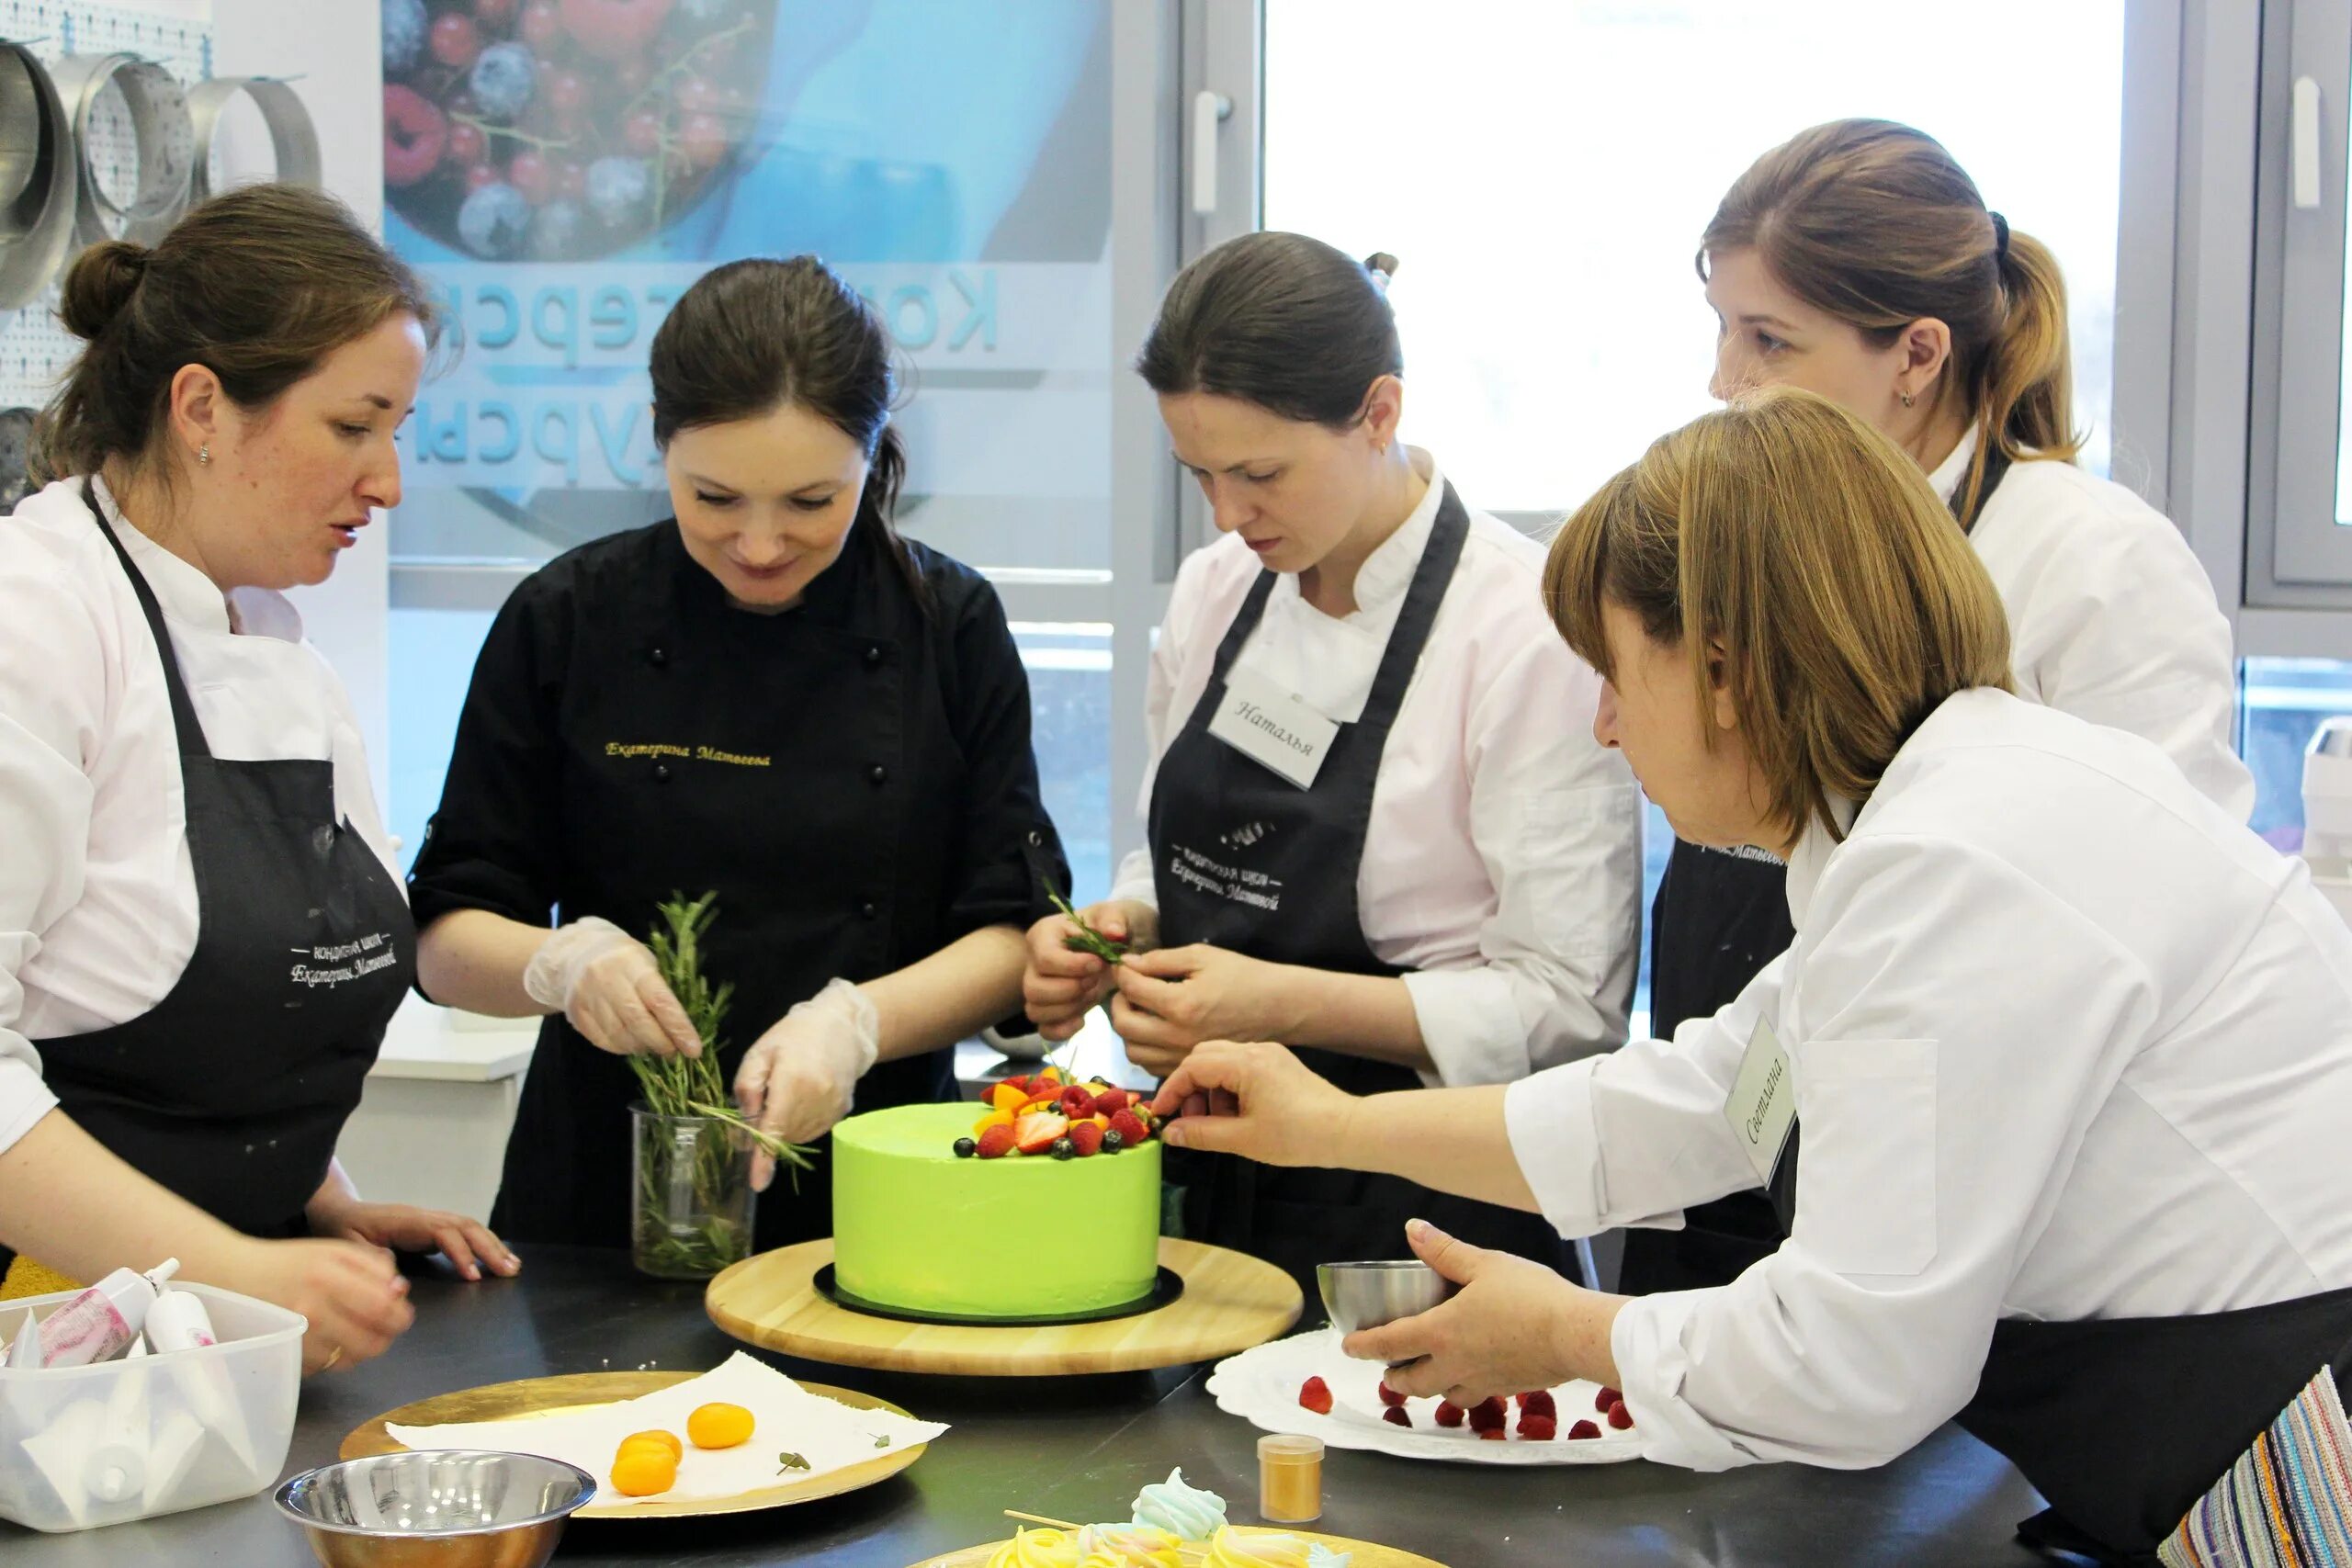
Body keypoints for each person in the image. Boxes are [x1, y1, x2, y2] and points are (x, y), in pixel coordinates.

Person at [1146, 389, 2352, 1563]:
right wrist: (1334, 1124)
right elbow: (1720, 1096)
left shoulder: (1958, 864)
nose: (1608, 725)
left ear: (1727, 667)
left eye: (1618, 673)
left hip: (2301, 1443)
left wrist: (1570, 1329)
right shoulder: (1933, 815)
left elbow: (1856, 1362)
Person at [1627, 118, 2256, 1298]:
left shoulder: (2088, 562)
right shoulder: (1757, 538)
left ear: (1915, 354)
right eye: (1721, 332)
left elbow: (2144, 928)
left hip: (1973, 1185)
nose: (1724, 382)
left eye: (1768, 340)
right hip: (1741, 1110)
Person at [1023, 234, 1641, 1295]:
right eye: (1199, 474)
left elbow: (1565, 1008)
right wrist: (1122, 928)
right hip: (1207, 1170)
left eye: (1260, 473)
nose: (1226, 514)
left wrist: (1281, 1005)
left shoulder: (1523, 631)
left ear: (1380, 414)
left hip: (1419, 1204)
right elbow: (1167, 851)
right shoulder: (1218, 588)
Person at [410, 255, 1069, 1250]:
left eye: (811, 502)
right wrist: (561, 964)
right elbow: (444, 940)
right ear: (659, 445)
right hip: (603, 1194)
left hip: (884, 1190)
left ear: (873, 452)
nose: (759, 545)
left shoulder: (950, 625)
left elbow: (1013, 936)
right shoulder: (568, 619)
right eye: (714, 497)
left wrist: (854, 1025)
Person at [0, 185, 513, 1372]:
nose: (386, 482)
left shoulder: (271, 639)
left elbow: (209, 1022)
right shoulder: (35, 620)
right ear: (201, 407)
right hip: (41, 1345)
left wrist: (312, 1202)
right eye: (354, 425)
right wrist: (229, 1258)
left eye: (399, 430)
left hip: (195, 1341)